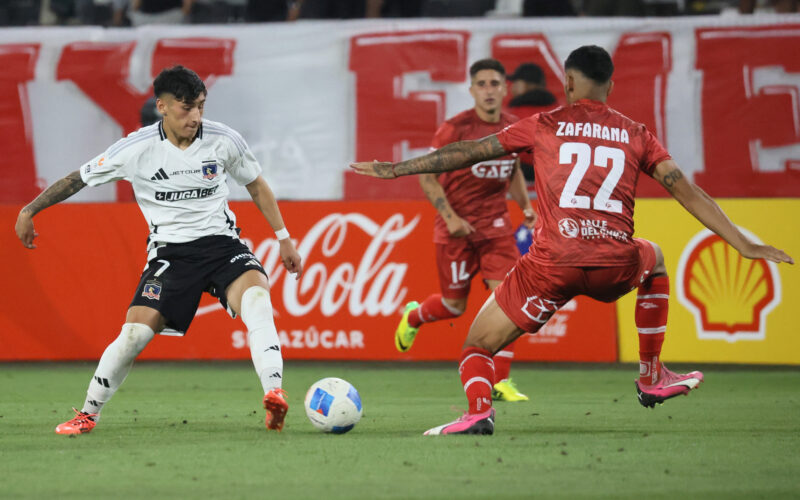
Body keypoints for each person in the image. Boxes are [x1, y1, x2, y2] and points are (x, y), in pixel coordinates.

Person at [351, 45, 794, 435]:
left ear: (567, 80)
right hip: (614, 266)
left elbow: (468, 152)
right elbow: (685, 190)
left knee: (476, 347)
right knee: (655, 257)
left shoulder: (543, 125)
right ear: (610, 85)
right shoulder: (637, 134)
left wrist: (397, 169)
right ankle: (650, 374)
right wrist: (741, 242)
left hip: (551, 267)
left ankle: (478, 413)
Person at [15, 65, 303, 435]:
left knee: (258, 302)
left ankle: (274, 395)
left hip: (222, 246)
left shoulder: (223, 140)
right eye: (186, 108)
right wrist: (30, 209)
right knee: (134, 335)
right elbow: (79, 178)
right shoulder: (136, 149)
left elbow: (256, 185)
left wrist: (283, 237)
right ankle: (87, 413)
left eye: (201, 106)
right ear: (162, 107)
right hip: (170, 255)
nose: (196, 117)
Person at [396, 58, 536, 402]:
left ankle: (500, 381)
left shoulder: (512, 127)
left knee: (506, 298)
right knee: (453, 305)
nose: (489, 90)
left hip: (496, 227)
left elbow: (513, 168)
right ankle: (413, 316)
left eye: (495, 84)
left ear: (506, 89)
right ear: (471, 90)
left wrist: (527, 206)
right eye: (482, 84)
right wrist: (450, 217)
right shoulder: (454, 129)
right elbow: (427, 176)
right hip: (455, 229)